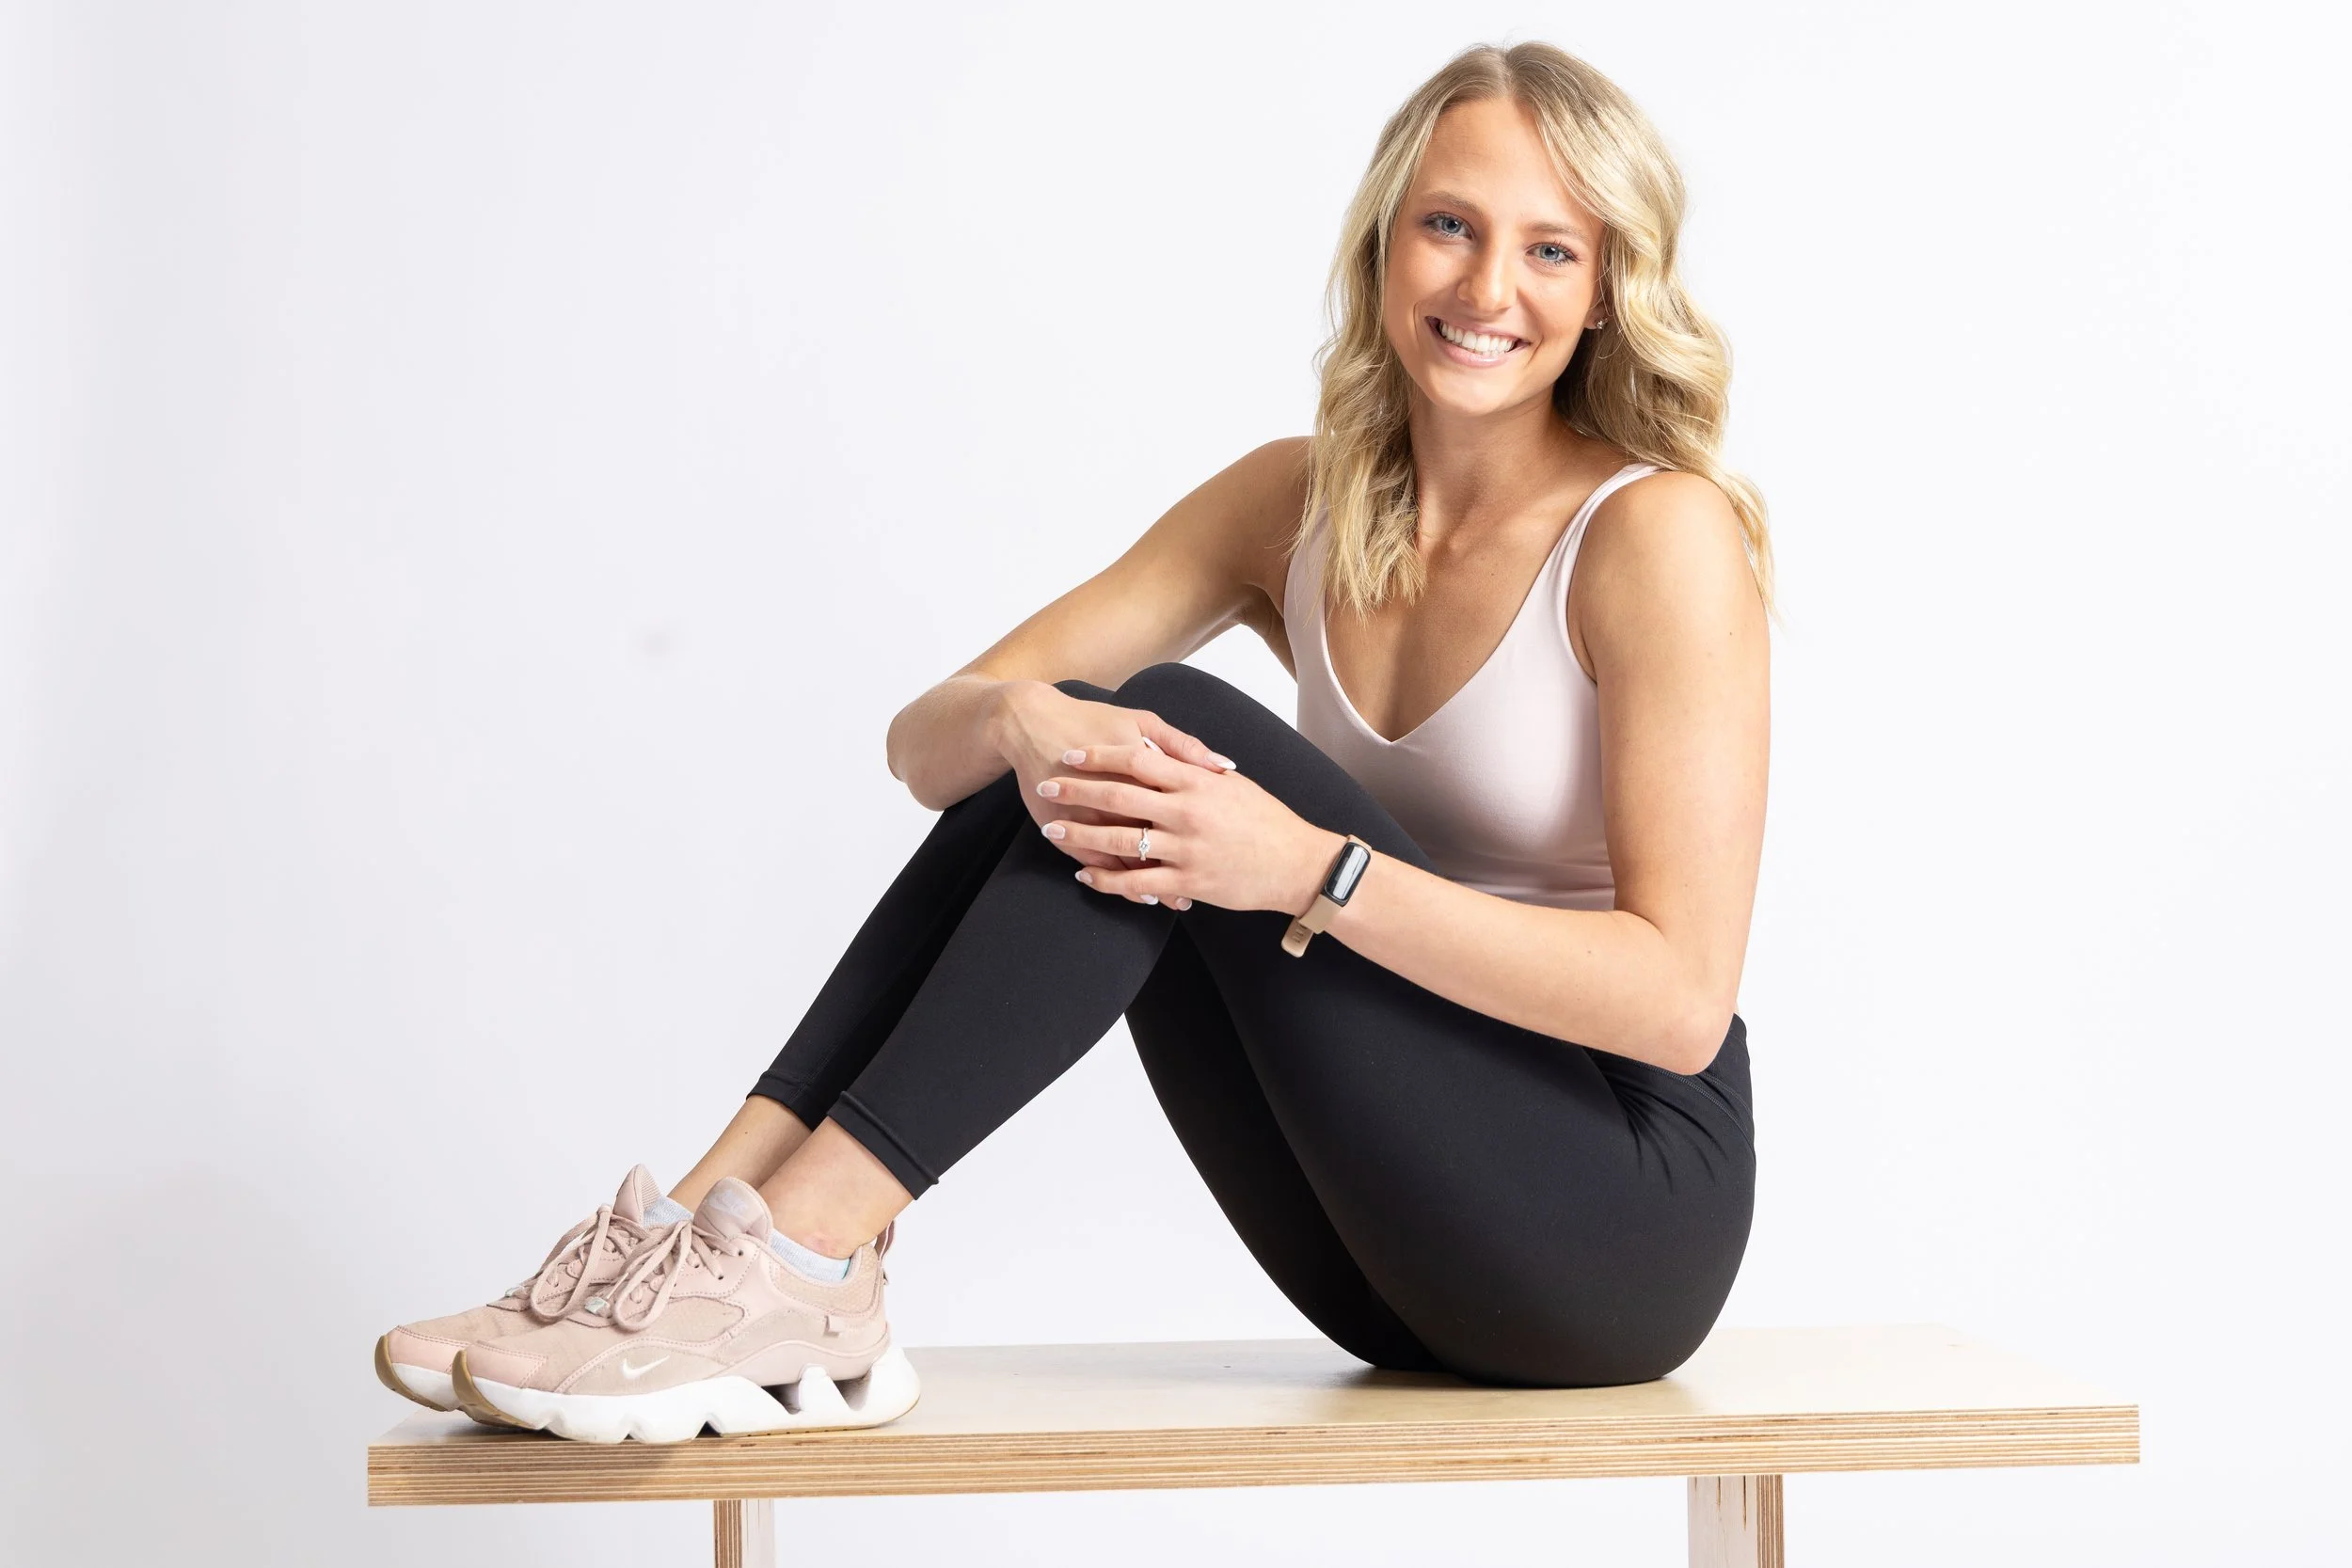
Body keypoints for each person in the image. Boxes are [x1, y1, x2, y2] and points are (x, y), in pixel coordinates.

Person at [373, 39, 1775, 1446]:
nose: (1486, 288)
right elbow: (925, 748)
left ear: (1608, 289)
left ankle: (801, 1257)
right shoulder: (1296, 503)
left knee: (1168, 729)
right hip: (1389, 1261)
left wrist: (1307, 871)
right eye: (1450, 226)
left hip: (1617, 1228)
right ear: (1383, 242)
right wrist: (1016, 718)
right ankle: (697, 1239)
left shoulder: (1657, 535)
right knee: (1075, 752)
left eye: (1549, 250)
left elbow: (1679, 1001)